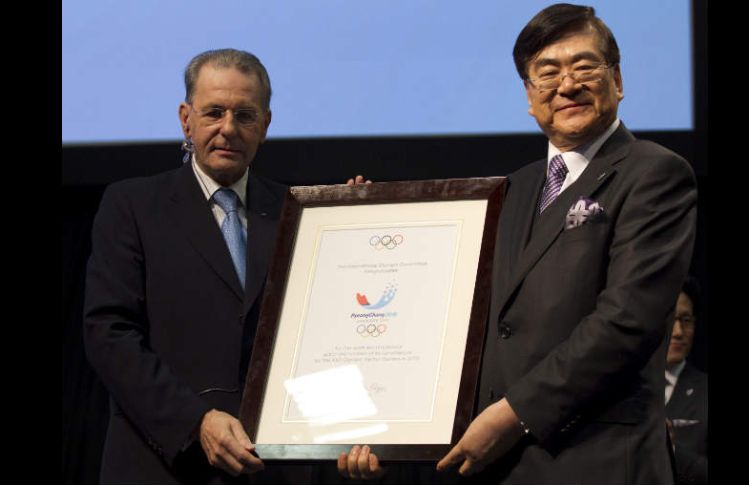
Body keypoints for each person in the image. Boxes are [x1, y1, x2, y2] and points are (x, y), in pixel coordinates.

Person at [339, 4, 697, 484]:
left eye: (584, 67)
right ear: (530, 97)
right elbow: (451, 313)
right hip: (500, 466)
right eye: (547, 73)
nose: (567, 85)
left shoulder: (654, 173)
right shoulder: (511, 190)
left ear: (617, 80)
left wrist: (513, 415)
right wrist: (364, 230)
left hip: (598, 460)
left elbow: (625, 323)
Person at [84, 48, 310, 484]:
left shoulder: (297, 211)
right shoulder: (131, 205)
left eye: (245, 115)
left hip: (271, 468)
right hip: (162, 465)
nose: (228, 128)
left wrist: (356, 219)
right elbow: (108, 334)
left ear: (264, 125)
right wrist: (196, 422)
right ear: (186, 119)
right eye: (214, 112)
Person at [666, 276, 708, 484]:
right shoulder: (623, 389)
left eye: (686, 320)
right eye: (671, 320)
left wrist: (672, 450)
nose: (678, 332)